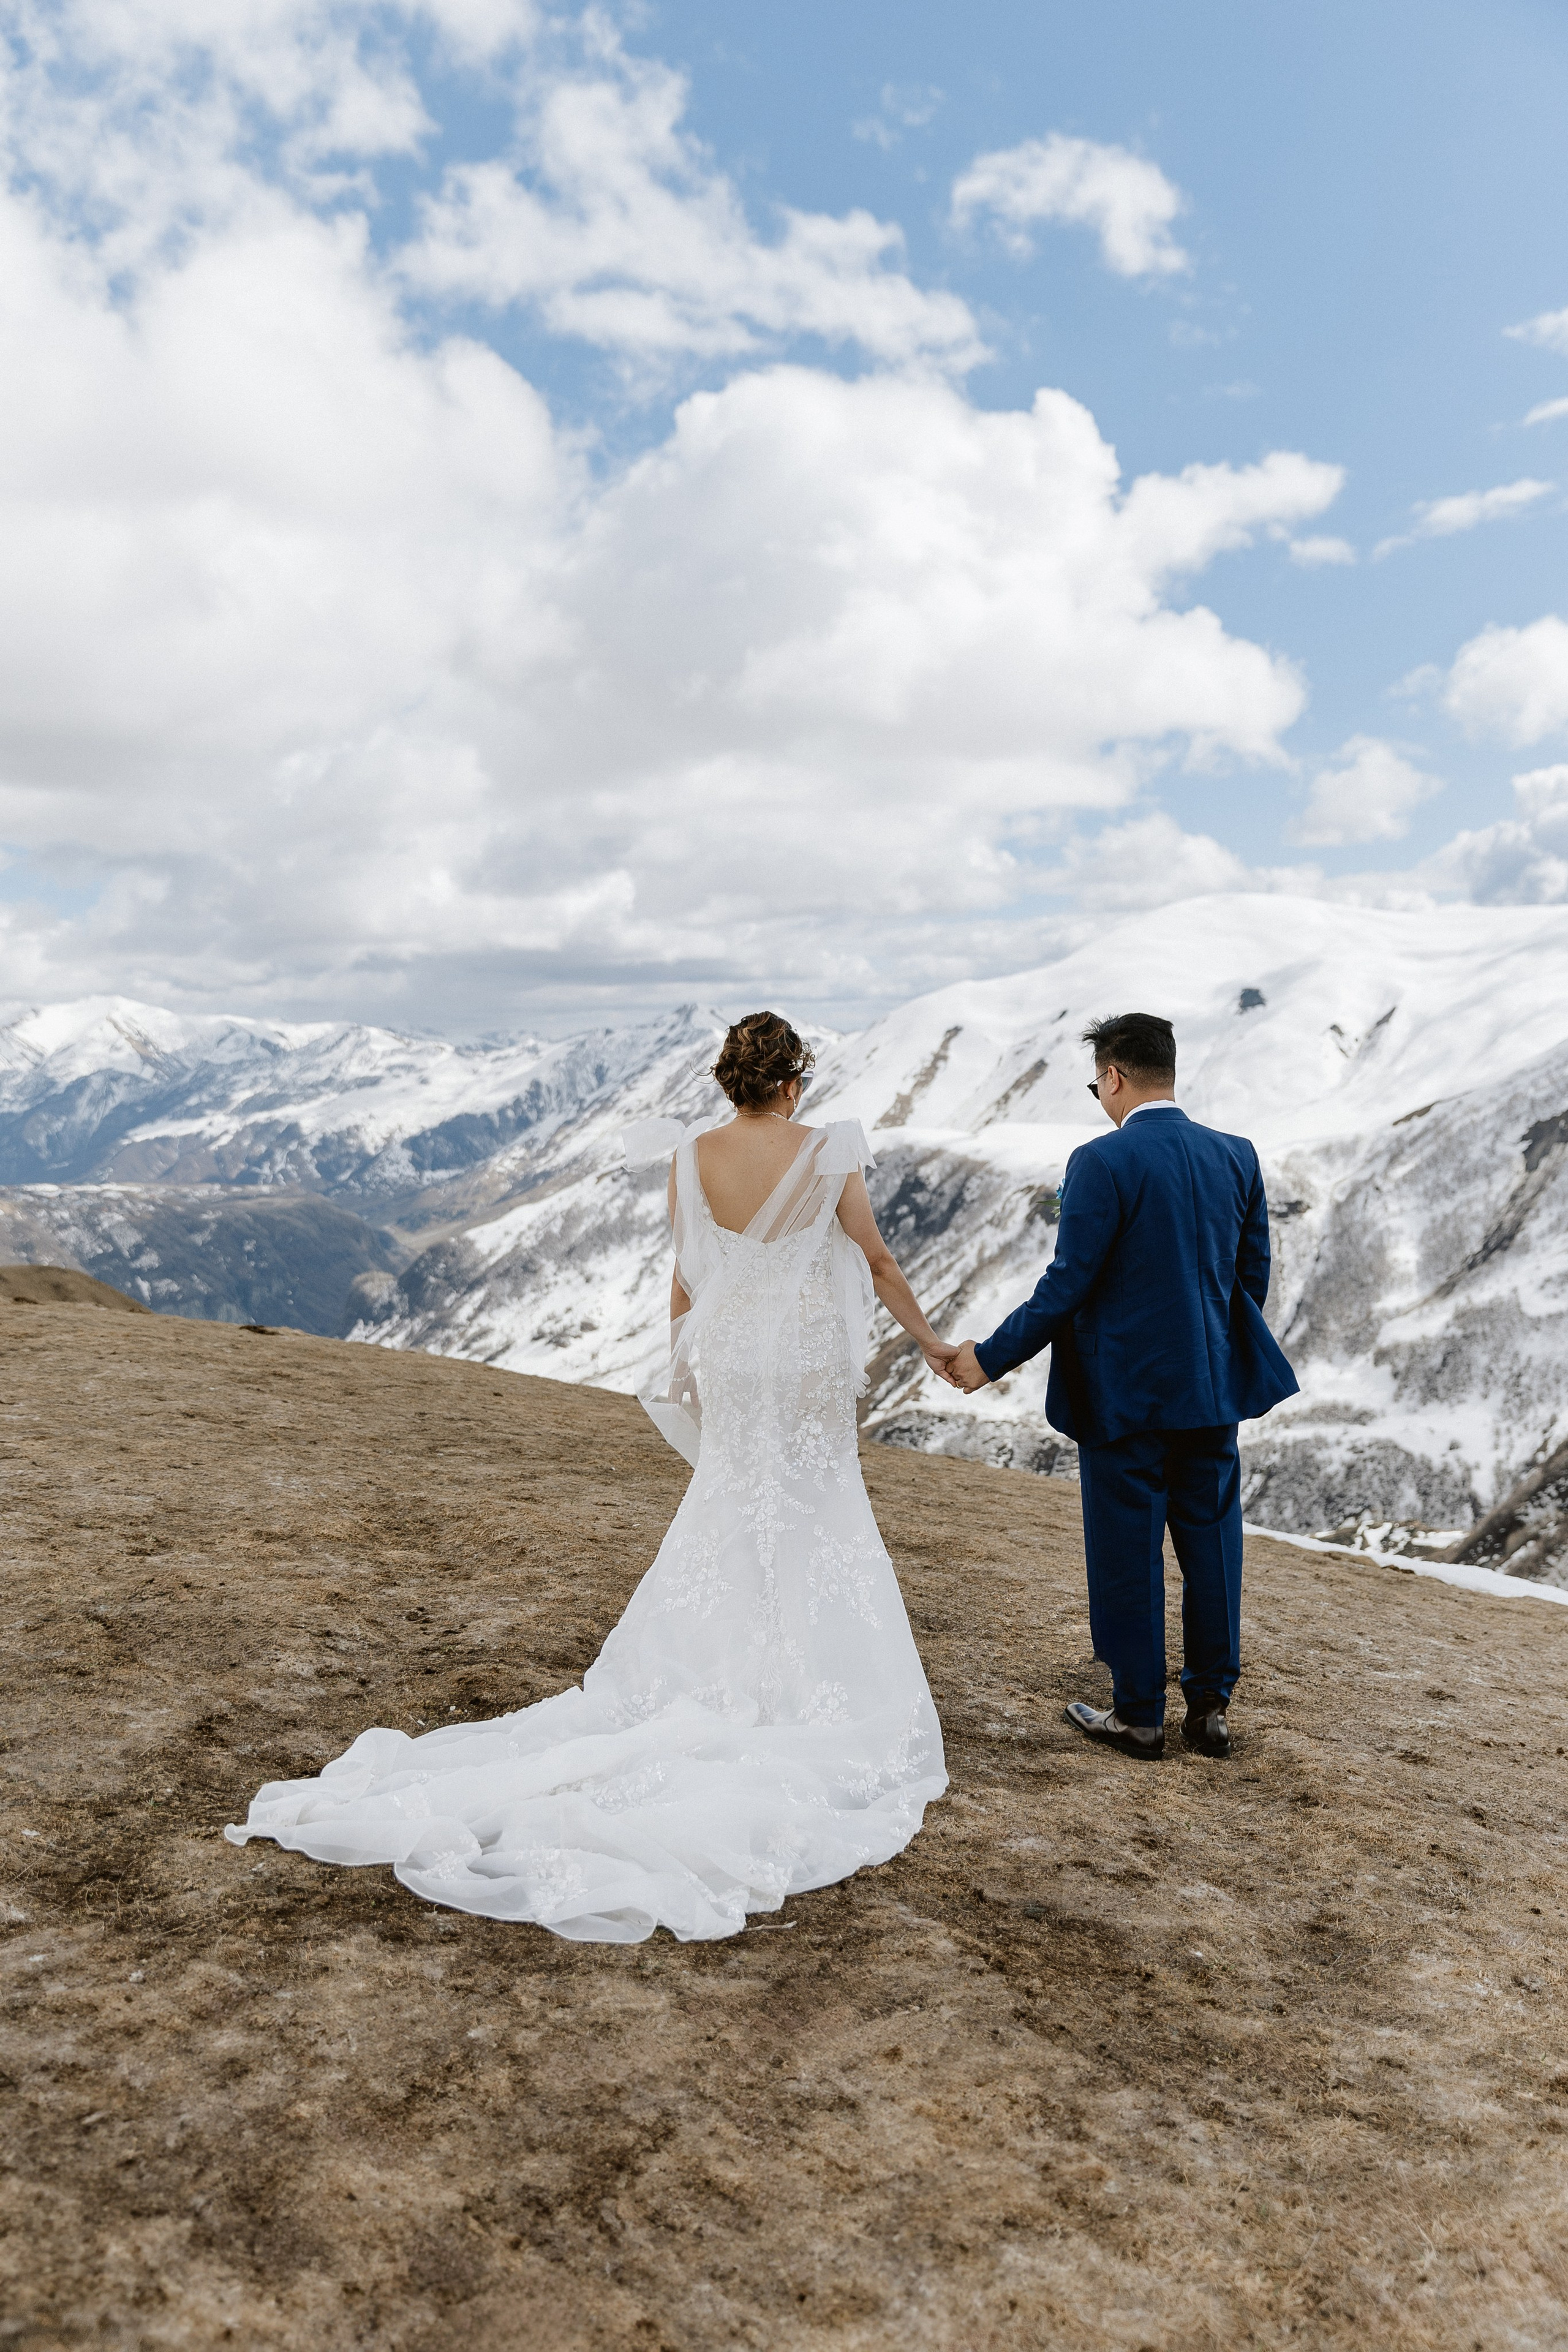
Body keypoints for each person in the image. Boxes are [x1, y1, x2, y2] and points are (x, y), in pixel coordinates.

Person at [227, 1012, 953, 1941]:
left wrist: (686, 1367)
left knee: (734, 1501)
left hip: (733, 1354)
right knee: (815, 1503)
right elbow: (876, 1260)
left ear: (731, 1083)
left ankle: (726, 1665)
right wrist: (931, 1343)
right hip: (805, 1356)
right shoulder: (828, 1149)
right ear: (791, 1081)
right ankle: (805, 1677)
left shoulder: (690, 1157)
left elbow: (687, 1277)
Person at [943, 1012, 1298, 1763]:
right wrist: (1209, 1348)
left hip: (1122, 1395)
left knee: (1127, 1551)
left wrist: (988, 1358)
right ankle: (1210, 1711)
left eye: (1094, 1084)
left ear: (1112, 1076)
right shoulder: (1236, 1154)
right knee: (1213, 1547)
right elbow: (1251, 1275)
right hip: (1210, 1390)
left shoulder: (1100, 1161)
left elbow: (1067, 1283)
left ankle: (1138, 1716)